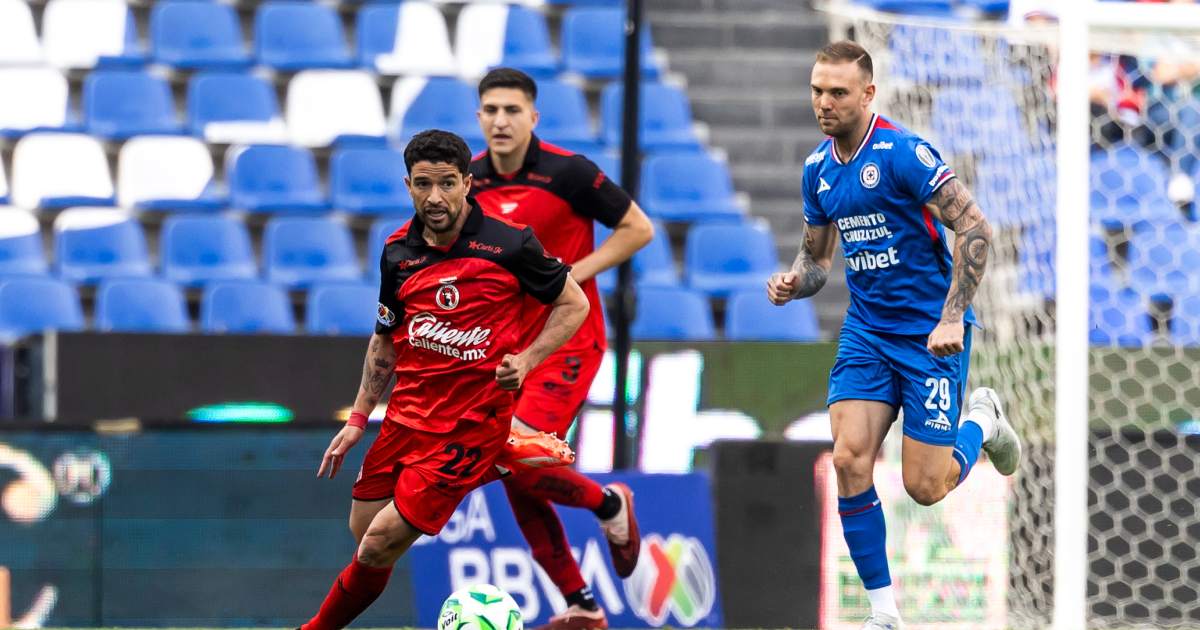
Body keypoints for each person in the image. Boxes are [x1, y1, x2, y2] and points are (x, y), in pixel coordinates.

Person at [766, 41, 1023, 630]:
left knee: (925, 486)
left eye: (837, 92)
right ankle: (883, 614)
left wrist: (953, 315)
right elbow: (816, 262)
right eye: (816, 90)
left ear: (868, 94)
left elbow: (975, 228)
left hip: (931, 335)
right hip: (867, 332)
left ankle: (981, 419)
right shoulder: (816, 171)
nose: (823, 103)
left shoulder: (904, 153)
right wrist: (791, 281)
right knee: (850, 458)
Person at [300, 129, 590, 630]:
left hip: (470, 423)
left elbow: (574, 304)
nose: (435, 198)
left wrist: (527, 359)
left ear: (467, 184)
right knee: (364, 531)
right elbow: (384, 341)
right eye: (423, 184)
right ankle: (501, 460)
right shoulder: (396, 252)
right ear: (408, 185)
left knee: (377, 545)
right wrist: (357, 417)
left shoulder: (510, 243)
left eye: (447, 184)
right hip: (407, 417)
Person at [469, 67, 655, 630]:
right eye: (491, 110)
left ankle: (610, 506)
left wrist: (571, 274)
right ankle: (581, 604)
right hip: (505, 347)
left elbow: (637, 229)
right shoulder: (468, 180)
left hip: (569, 339)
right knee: (512, 467)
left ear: (533, 117)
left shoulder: (569, 172)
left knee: (516, 455)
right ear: (479, 117)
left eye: (512, 110)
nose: (501, 120)